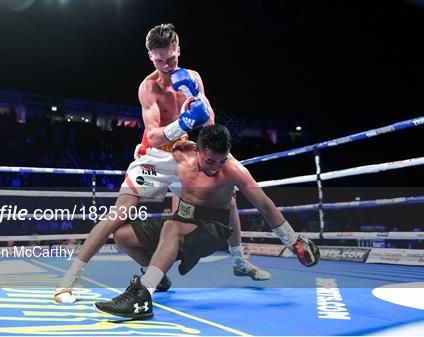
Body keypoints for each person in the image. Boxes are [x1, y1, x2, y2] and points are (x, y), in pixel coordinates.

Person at [54, 23, 268, 303]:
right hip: (152, 158)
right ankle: (69, 280)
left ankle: (239, 260)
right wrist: (182, 122)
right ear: (150, 57)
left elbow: (210, 122)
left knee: (227, 198)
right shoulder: (148, 87)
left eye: (171, 58)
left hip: (185, 154)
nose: (167, 65)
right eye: (159, 60)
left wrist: (197, 110)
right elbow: (154, 136)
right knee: (118, 216)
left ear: (178, 50)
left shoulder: (193, 77)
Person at [95, 124, 320, 319]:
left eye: (222, 160)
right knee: (122, 235)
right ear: (196, 150)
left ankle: (142, 295)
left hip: (212, 228)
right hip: (181, 220)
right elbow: (154, 144)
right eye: (210, 160)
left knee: (172, 228)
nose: (215, 167)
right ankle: (159, 276)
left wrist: (292, 240)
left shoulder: (235, 171)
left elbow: (264, 204)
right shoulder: (181, 153)